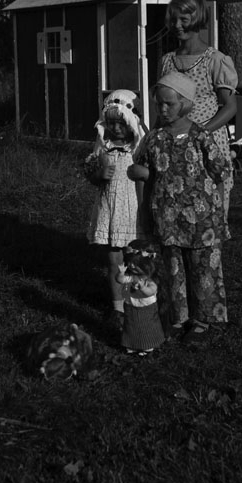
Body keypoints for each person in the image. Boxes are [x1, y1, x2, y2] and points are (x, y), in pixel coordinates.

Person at [129, 72, 231, 342]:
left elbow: (220, 174)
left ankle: (203, 320)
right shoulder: (154, 139)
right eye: (159, 103)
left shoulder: (200, 136)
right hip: (167, 218)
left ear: (185, 104)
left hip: (202, 220)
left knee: (203, 269)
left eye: (169, 104)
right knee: (173, 269)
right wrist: (144, 211)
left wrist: (220, 214)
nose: (162, 109)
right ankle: (179, 316)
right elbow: (144, 175)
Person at [160, 0, 238, 223]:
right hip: (175, 143)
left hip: (207, 143)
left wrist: (200, 132)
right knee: (177, 202)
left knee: (210, 207)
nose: (177, 25)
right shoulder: (167, 61)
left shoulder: (215, 60)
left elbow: (230, 107)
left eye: (183, 19)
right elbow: (163, 105)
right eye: (174, 19)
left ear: (197, 19)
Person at [84, 89, 146, 326]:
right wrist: (99, 174)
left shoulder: (138, 147)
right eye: (111, 123)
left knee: (136, 260)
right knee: (114, 262)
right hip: (110, 211)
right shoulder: (103, 145)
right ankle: (117, 308)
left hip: (133, 213)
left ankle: (139, 302)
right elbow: (90, 175)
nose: (117, 128)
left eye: (122, 123)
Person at [116, 239, 165, 356]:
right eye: (130, 262)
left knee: (147, 327)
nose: (132, 266)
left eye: (136, 263)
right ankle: (132, 344)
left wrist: (143, 287)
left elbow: (151, 291)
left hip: (146, 308)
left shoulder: (149, 279)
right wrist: (121, 273)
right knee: (131, 326)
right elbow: (120, 280)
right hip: (130, 306)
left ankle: (148, 345)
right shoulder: (131, 276)